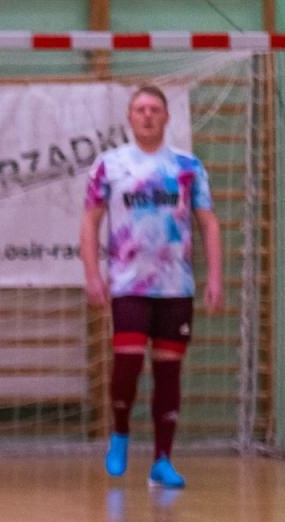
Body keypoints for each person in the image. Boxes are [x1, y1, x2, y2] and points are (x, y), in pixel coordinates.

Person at [81, 84, 223, 490]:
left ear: (166, 117)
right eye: (140, 109)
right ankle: (121, 433)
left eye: (154, 109)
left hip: (175, 286)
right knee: (126, 364)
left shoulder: (187, 166)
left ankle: (163, 460)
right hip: (129, 284)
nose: (147, 115)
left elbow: (208, 222)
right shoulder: (109, 165)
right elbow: (90, 222)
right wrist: (93, 274)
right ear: (130, 118)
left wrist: (215, 277)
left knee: (169, 372)